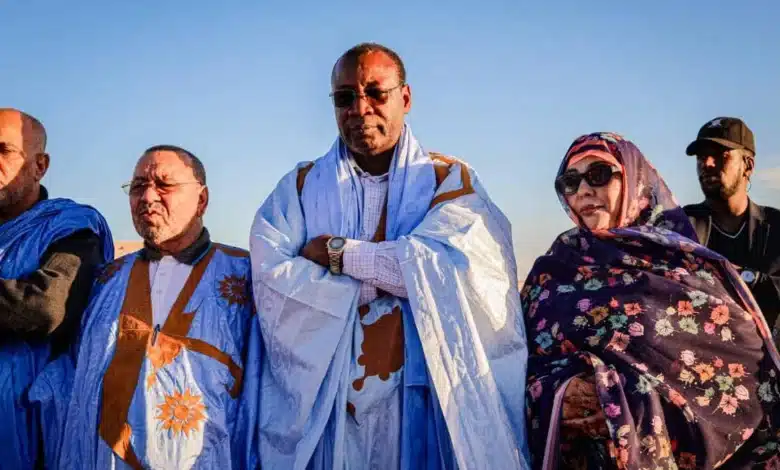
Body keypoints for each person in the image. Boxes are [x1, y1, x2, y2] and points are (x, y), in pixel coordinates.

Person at [250, 42, 530, 469]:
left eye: (375, 92)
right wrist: (385, 276)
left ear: (406, 97)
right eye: (345, 97)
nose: (360, 108)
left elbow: (459, 276)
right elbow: (273, 282)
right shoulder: (301, 188)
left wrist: (336, 254)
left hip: (426, 402)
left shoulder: (448, 180)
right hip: (331, 408)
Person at [522, 132, 780, 469]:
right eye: (570, 181)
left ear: (633, 180)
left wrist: (630, 402)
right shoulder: (554, 269)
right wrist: (561, 393)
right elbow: (514, 361)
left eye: (598, 174)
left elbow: (744, 366)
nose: (583, 190)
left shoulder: (679, 262)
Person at [38, 145, 260, 469]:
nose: (148, 197)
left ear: (202, 200)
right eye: (138, 187)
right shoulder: (104, 279)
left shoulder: (247, 276)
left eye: (164, 185)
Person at [0, 108, 113, 469]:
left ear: (40, 165)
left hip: (28, 428)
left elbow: (45, 307)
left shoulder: (71, 228)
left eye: (3, 150)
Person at [683, 117, 780, 333]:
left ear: (748, 166)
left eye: (720, 155)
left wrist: (745, 277)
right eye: (701, 157)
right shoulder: (680, 226)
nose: (707, 164)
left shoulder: (776, 228)